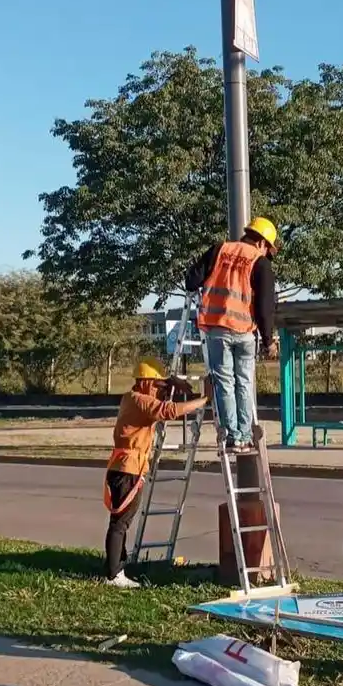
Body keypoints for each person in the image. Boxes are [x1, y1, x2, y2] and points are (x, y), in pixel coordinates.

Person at [103, 357, 209, 588]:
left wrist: (173, 383)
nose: (159, 390)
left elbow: (160, 398)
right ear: (144, 382)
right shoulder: (139, 400)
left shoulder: (134, 397)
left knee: (121, 521)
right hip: (127, 468)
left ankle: (117, 567)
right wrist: (203, 400)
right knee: (120, 523)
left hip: (129, 465)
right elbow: (168, 410)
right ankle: (113, 574)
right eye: (157, 385)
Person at [185, 217, 279, 452]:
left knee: (224, 383)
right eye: (268, 248)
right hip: (245, 332)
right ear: (262, 243)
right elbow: (265, 307)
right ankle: (245, 436)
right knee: (244, 383)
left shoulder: (219, 250)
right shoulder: (261, 263)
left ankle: (232, 436)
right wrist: (269, 342)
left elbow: (191, 281)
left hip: (217, 329)